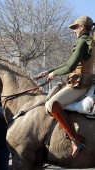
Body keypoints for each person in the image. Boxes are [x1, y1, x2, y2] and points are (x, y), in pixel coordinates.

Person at [39, 16, 95, 158]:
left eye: (75, 27)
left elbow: (71, 66)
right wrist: (51, 71)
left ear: (82, 27)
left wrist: (55, 74)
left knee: (52, 104)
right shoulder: (85, 40)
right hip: (80, 80)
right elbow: (69, 62)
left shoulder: (83, 41)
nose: (73, 31)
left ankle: (75, 139)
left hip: (80, 83)